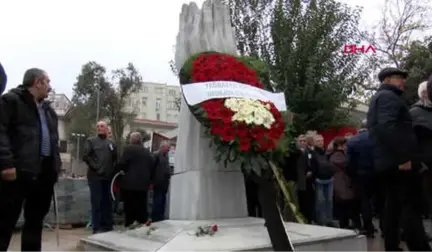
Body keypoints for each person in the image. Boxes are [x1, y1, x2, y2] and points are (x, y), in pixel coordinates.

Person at [367, 67, 431, 252]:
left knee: (393, 208)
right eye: (398, 78)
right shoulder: (388, 98)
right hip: (397, 162)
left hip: (388, 161)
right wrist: (403, 157)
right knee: (409, 207)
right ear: (386, 80)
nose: (403, 81)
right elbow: (387, 128)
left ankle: (392, 246)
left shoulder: (381, 98)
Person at [0, 68, 61, 252]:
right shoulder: (11, 101)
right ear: (37, 82)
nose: (49, 87)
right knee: (4, 222)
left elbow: (53, 141)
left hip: (43, 174)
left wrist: (55, 168)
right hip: (18, 173)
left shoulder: (48, 111)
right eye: (47, 82)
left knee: (35, 223)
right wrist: (6, 163)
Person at [83, 121, 117, 234]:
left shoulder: (111, 143)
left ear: (107, 129)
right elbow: (86, 156)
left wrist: (113, 171)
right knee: (96, 202)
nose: (99, 128)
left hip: (108, 178)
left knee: (107, 202)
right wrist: (96, 167)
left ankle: (107, 225)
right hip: (95, 177)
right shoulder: (91, 141)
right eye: (97, 126)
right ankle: (96, 227)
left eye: (102, 126)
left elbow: (115, 158)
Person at [117, 132, 154, 227]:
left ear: (132, 140)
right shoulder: (147, 152)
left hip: (130, 184)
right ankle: (142, 223)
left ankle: (129, 224)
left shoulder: (128, 149)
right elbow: (151, 166)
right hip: (143, 185)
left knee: (129, 206)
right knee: (141, 206)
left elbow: (122, 163)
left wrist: (122, 171)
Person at [346, 120, 376, 237]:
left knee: (364, 201)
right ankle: (387, 229)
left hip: (360, 175)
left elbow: (349, 162)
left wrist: (351, 175)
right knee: (380, 201)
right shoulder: (375, 138)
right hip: (377, 173)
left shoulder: (353, 141)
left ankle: (369, 228)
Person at [329, 137, 361, 230]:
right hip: (342, 182)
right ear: (340, 145)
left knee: (345, 204)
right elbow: (345, 164)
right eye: (345, 145)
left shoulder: (338, 154)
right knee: (345, 204)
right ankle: (344, 224)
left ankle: (345, 223)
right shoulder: (338, 155)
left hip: (343, 182)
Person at [312, 134, 335, 226]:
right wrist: (315, 178)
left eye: (321, 141)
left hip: (329, 178)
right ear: (314, 142)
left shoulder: (326, 152)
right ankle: (322, 220)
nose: (320, 143)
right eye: (318, 141)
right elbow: (313, 167)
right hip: (319, 179)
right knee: (320, 201)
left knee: (329, 201)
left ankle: (329, 219)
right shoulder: (313, 153)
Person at [151, 140, 172, 222]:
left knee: (163, 200)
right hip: (158, 181)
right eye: (168, 147)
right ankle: (155, 217)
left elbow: (166, 167)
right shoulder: (156, 155)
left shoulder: (166, 156)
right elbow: (152, 168)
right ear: (163, 147)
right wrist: (152, 181)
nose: (169, 149)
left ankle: (161, 216)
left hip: (164, 182)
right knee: (157, 200)